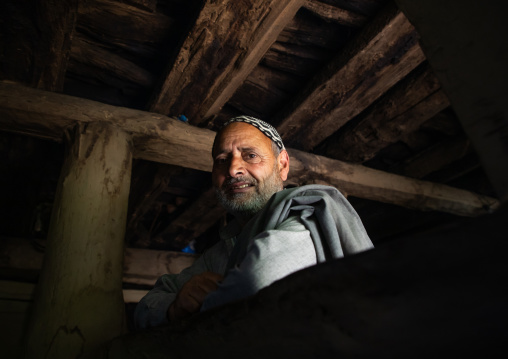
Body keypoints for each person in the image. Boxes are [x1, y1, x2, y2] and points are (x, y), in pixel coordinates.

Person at [134, 116, 373, 329]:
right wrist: (175, 307)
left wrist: (201, 308)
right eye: (222, 159)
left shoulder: (307, 215)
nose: (233, 169)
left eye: (250, 156)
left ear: (283, 164)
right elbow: (146, 306)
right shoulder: (217, 254)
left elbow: (257, 280)